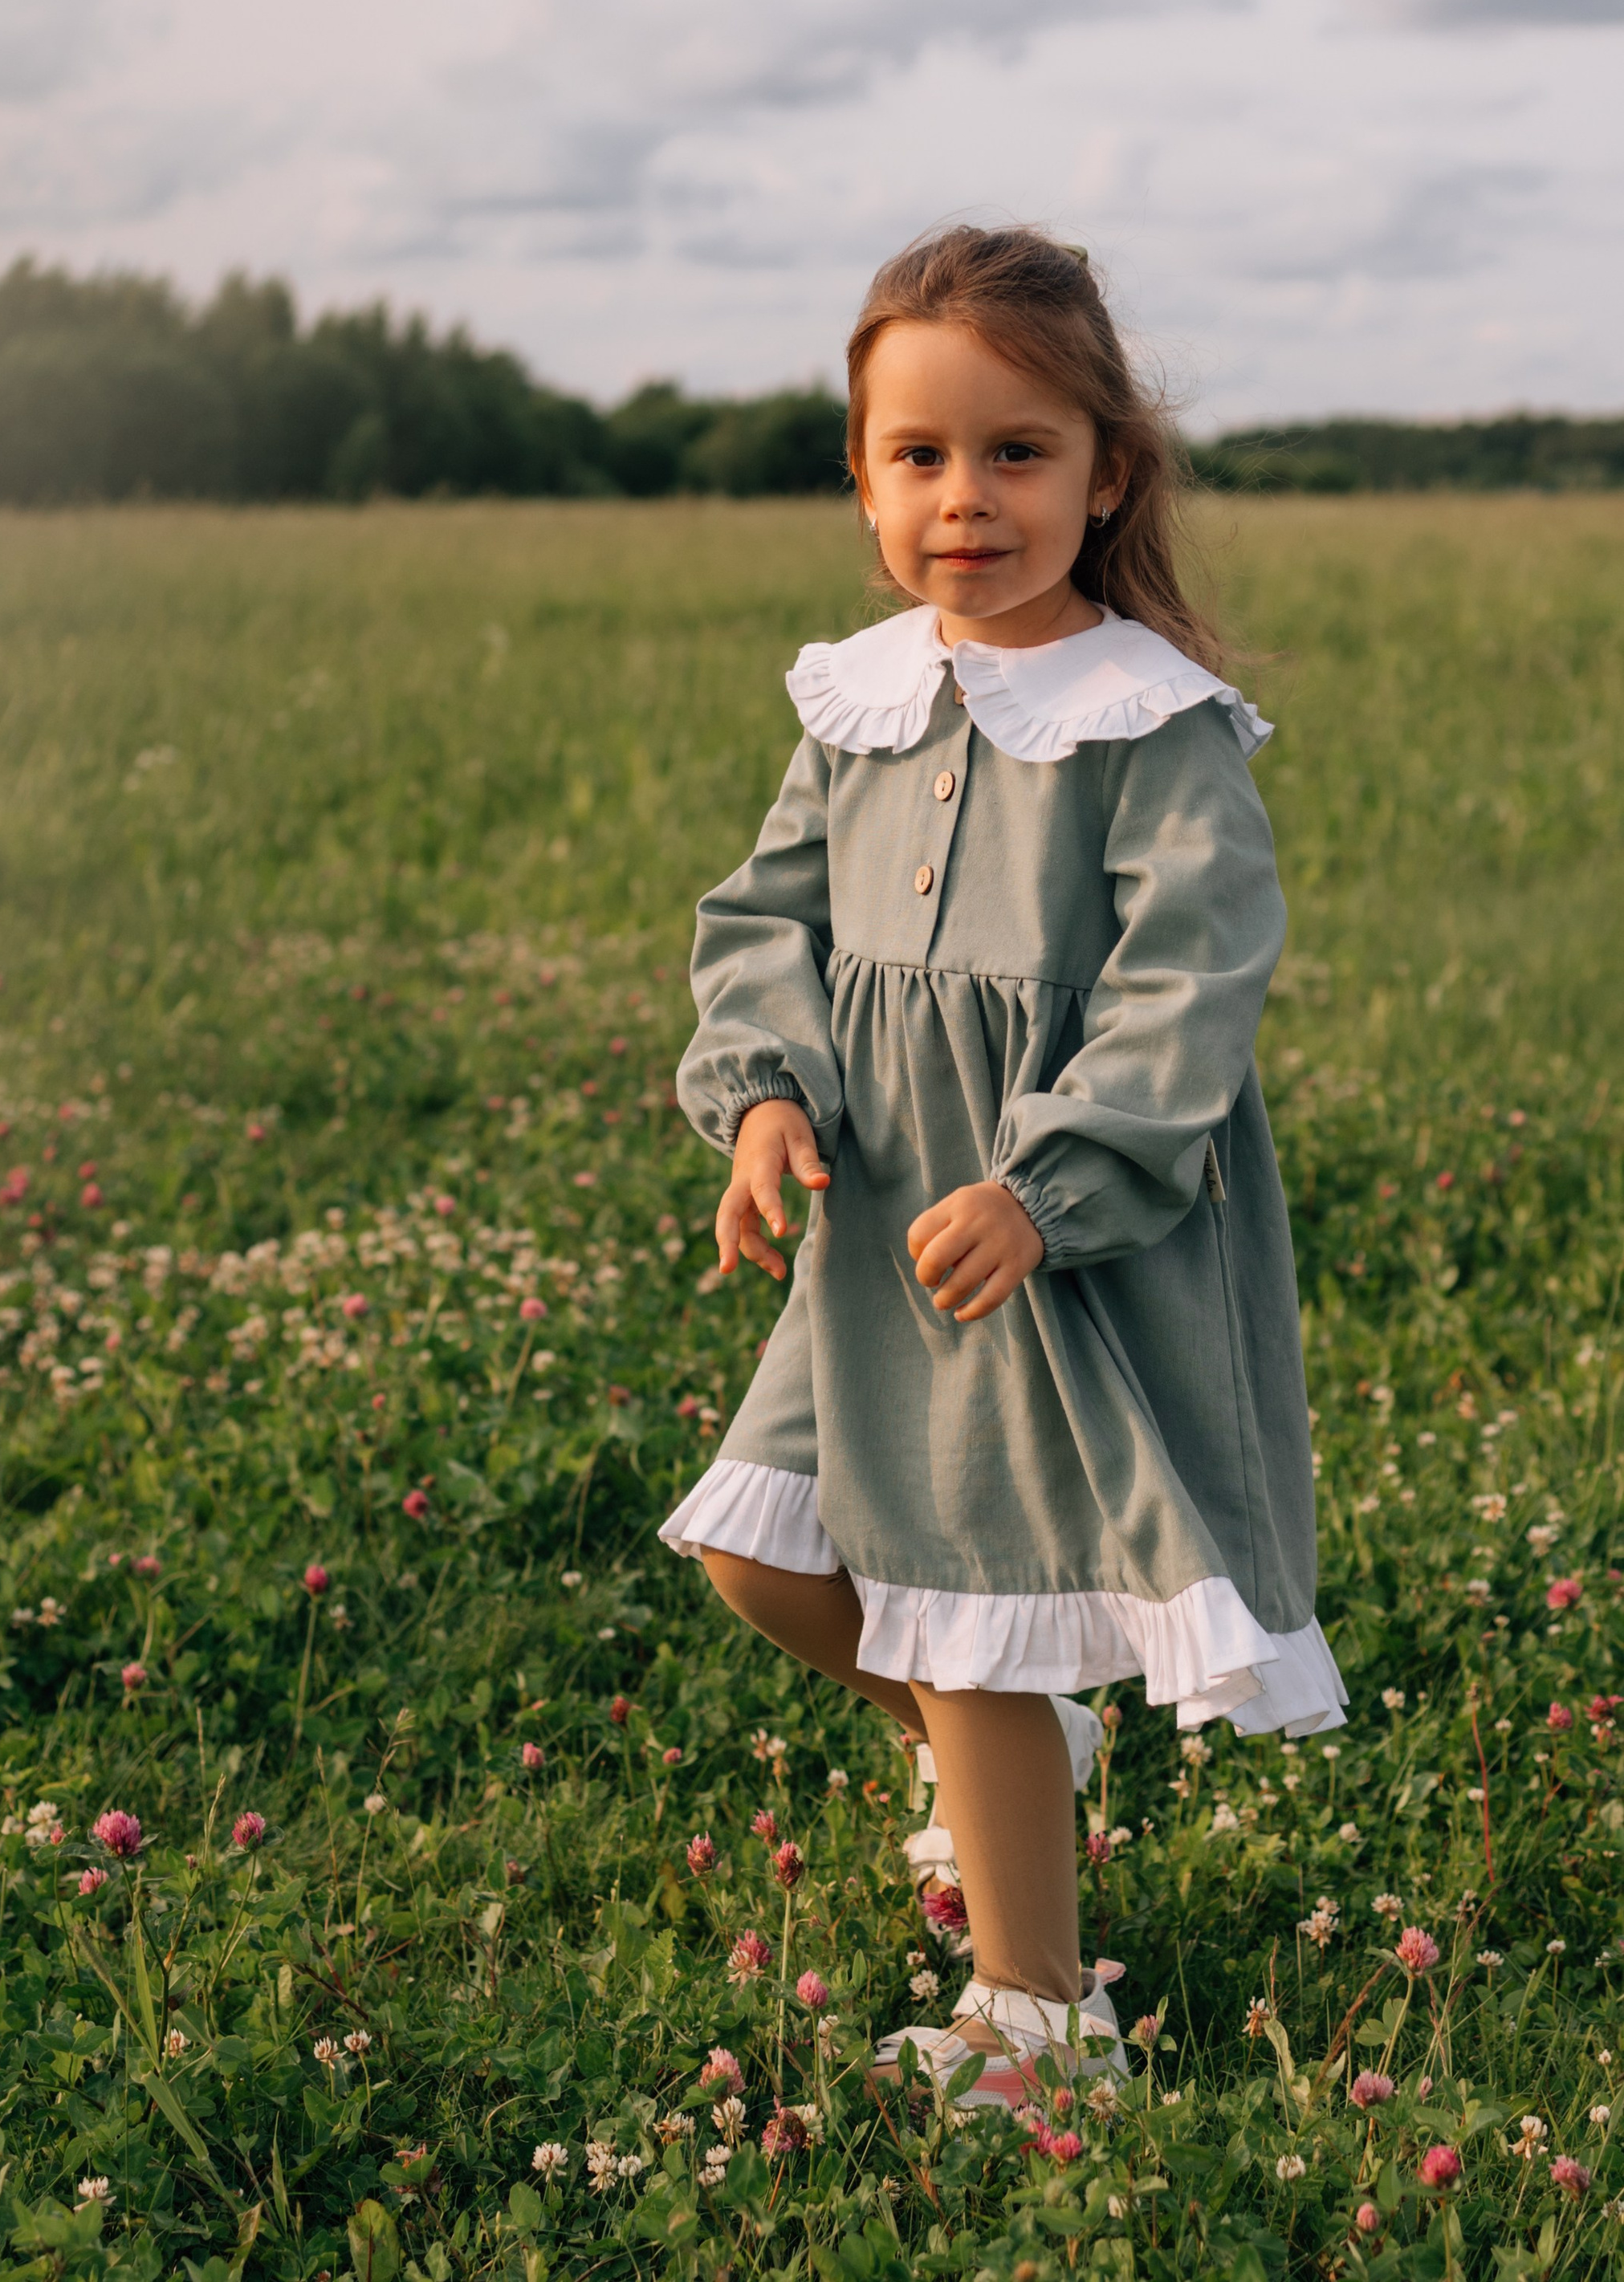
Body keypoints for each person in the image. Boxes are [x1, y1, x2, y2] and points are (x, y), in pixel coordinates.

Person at [659, 226, 1343, 2109]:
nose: (966, 497)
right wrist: (769, 1093)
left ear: (1103, 469)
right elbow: (763, 918)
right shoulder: (864, 699)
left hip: (1045, 1234)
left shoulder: (1150, 722)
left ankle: (1039, 2022)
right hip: (876, 1218)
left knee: (961, 1591)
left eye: (1017, 452)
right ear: (864, 477)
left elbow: (1185, 988)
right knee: (753, 1552)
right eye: (919, 455)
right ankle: (1006, 1764)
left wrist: (1047, 1182)